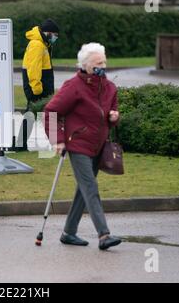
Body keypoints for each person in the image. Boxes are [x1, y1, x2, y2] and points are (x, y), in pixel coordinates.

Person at [44, 42, 122, 250]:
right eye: (98, 63)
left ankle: (69, 232)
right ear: (85, 65)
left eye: (104, 62)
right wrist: (57, 140)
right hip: (77, 144)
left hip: (98, 145)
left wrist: (114, 117)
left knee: (83, 190)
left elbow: (110, 112)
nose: (102, 66)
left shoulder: (109, 87)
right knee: (90, 187)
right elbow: (51, 111)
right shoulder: (74, 87)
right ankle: (104, 235)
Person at [14, 19, 60, 152]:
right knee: (46, 113)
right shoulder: (37, 45)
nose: (56, 38)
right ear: (48, 33)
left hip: (39, 86)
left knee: (34, 114)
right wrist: (36, 88)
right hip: (38, 88)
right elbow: (33, 68)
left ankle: (20, 145)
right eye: (55, 35)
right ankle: (55, 144)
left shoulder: (42, 44)